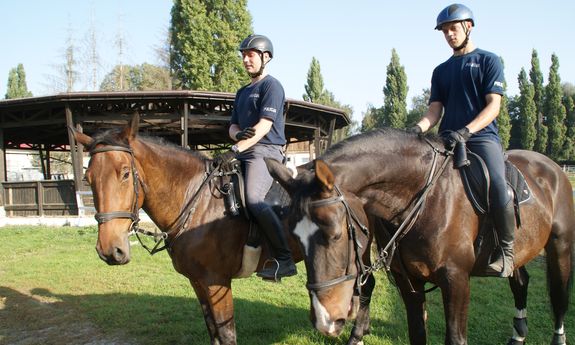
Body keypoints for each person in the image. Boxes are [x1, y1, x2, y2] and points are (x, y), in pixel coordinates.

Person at [409, 4, 515, 277]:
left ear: (468, 27)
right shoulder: (441, 70)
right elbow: (435, 111)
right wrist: (416, 130)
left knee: (498, 184)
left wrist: (467, 131)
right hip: (446, 140)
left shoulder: (489, 61)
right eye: (444, 31)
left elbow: (493, 106)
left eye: (453, 28)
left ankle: (507, 252)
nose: (448, 34)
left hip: (481, 139)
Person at [215, 34, 297, 280]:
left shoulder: (272, 86)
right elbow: (232, 127)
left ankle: (285, 259)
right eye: (243, 55)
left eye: (250, 55)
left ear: (265, 57)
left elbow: (263, 126)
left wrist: (237, 148)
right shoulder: (241, 92)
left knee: (252, 198)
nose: (245, 60)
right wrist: (237, 135)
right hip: (243, 149)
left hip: (265, 151)